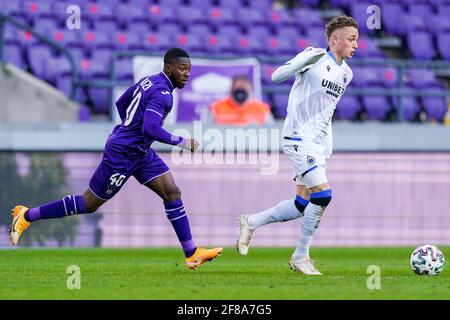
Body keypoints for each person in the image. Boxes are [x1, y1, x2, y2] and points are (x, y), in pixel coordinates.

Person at [9, 48, 223, 270]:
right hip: (122, 155)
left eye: (188, 70)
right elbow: (151, 128)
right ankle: (27, 215)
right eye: (181, 69)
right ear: (168, 67)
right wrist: (181, 141)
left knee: (172, 192)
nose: (186, 74)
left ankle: (192, 253)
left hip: (140, 152)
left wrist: (129, 129)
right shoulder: (163, 95)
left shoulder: (149, 81)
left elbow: (121, 102)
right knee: (89, 203)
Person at [236, 16, 358, 275]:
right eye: (351, 39)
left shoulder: (346, 73)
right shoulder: (313, 57)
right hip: (297, 137)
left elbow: (328, 111)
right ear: (334, 39)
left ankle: (251, 221)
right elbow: (276, 75)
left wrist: (328, 143)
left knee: (300, 205)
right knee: (323, 195)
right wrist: (305, 60)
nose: (355, 44)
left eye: (356, 39)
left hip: (317, 143)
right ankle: (301, 256)